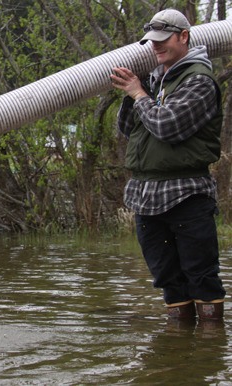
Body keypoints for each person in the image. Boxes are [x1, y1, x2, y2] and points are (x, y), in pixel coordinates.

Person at [110, 9, 225, 321]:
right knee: (168, 282)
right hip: (146, 196)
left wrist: (138, 93)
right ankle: (176, 356)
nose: (156, 47)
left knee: (201, 278)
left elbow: (168, 126)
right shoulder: (153, 80)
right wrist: (134, 93)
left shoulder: (199, 81)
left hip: (186, 194)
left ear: (184, 37)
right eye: (151, 42)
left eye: (163, 40)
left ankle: (209, 354)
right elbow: (126, 129)